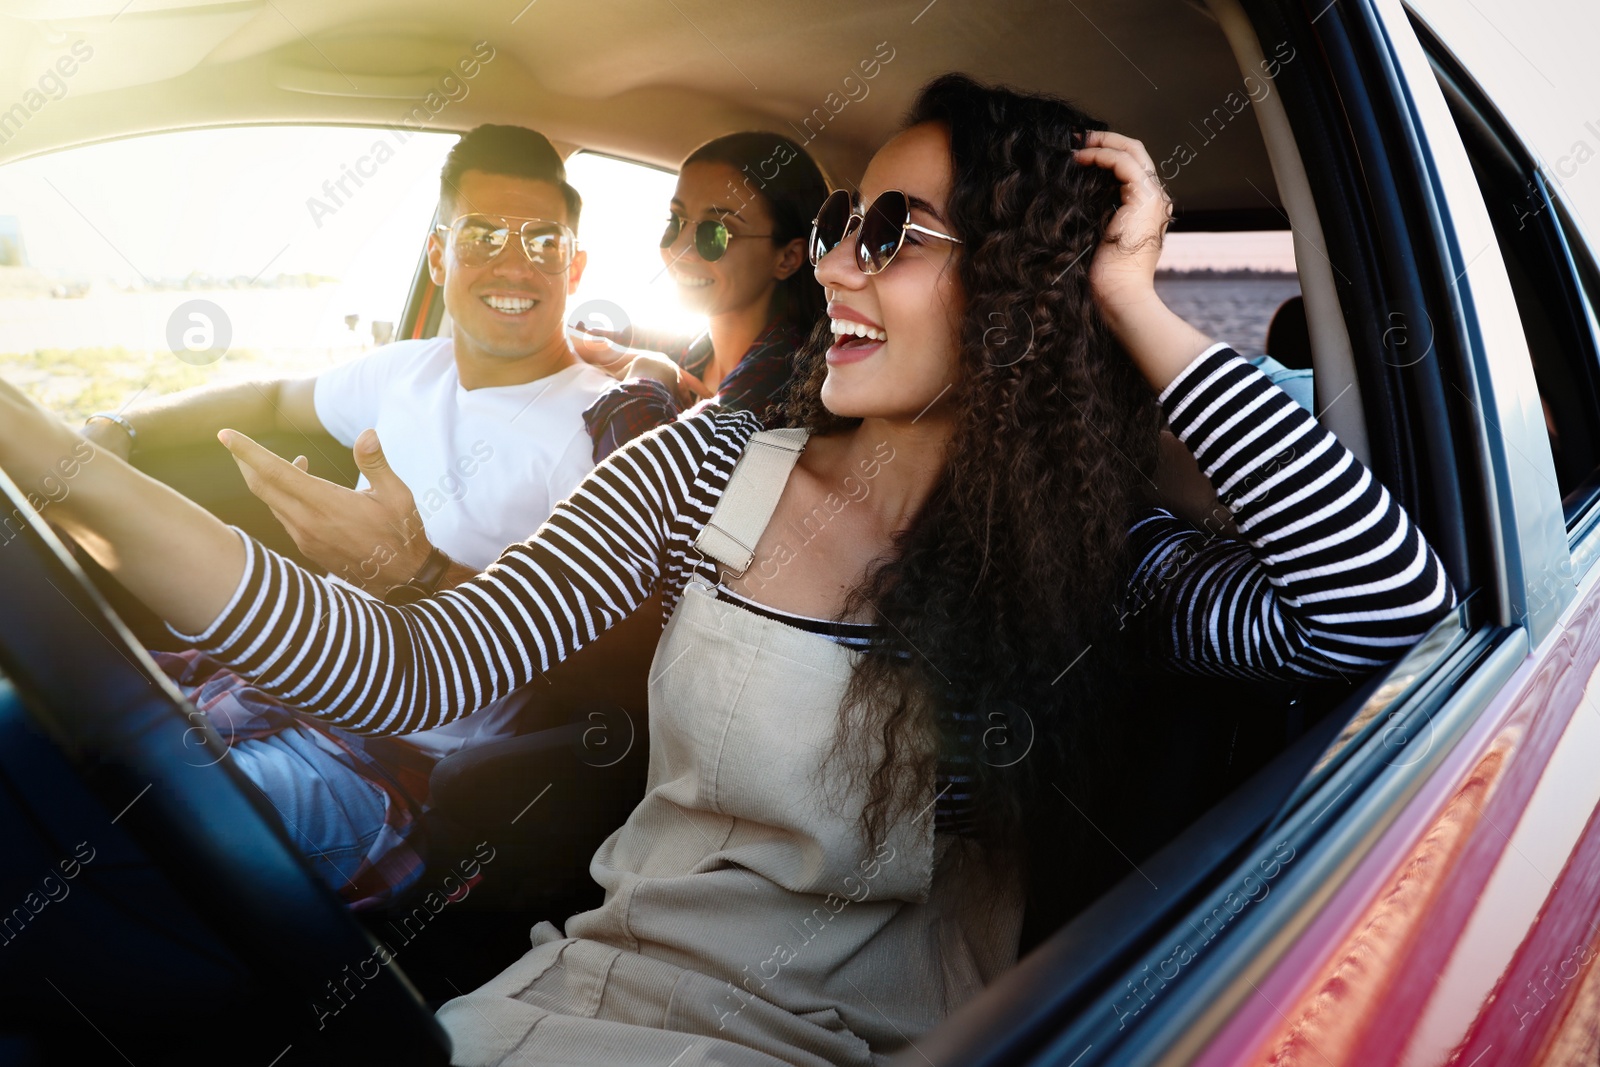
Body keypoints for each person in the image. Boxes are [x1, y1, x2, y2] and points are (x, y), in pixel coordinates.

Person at [0, 74, 1456, 1065]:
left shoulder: (1099, 563)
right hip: (576, 995)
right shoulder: (709, 460)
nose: (836, 264)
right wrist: (50, 461)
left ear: (1021, 289)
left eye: (891, 232)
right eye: (835, 225)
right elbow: (414, 664)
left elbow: (1387, 607)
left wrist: (1132, 293)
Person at [80, 124, 620, 906]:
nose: (515, 262)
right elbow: (269, 396)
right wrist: (121, 428)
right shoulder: (408, 370)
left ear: (574, 266)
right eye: (483, 234)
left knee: (99, 834)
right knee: (55, 741)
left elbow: (606, 672)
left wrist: (417, 573)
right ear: (439, 256)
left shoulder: (602, 429)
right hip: (276, 683)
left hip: (390, 760)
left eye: (544, 241)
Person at [575, 131, 829, 460]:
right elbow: (585, 331)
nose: (680, 249)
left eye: (716, 231)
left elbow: (649, 482)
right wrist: (626, 356)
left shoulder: (782, 377)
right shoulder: (700, 350)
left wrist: (646, 378)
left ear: (788, 258)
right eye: (676, 221)